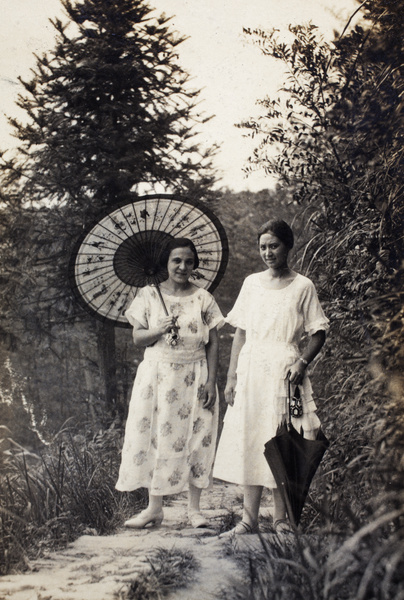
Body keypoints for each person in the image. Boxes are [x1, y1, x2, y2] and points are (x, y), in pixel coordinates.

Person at [213, 219, 329, 535]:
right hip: (251, 368)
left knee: (283, 439)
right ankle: (248, 519)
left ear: (287, 246)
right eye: (263, 246)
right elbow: (240, 333)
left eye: (273, 246)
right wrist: (231, 378)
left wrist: (303, 362)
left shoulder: (303, 286)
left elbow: (318, 331)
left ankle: (281, 519)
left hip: (285, 371)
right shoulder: (251, 283)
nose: (268, 252)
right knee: (251, 435)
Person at [116, 237, 224, 529]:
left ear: (195, 265)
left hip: (195, 373)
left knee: (198, 435)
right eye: (177, 260)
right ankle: (154, 508)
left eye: (189, 261)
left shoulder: (203, 298)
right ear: (166, 262)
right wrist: (158, 329)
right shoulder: (149, 295)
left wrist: (211, 381)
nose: (182, 266)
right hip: (158, 375)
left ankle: (194, 510)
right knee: (157, 435)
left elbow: (213, 342)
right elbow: (138, 337)